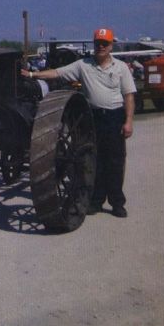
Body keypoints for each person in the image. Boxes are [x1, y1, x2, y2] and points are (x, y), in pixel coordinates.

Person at [21, 27, 136, 218]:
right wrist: (33, 75)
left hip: (115, 117)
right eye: (98, 43)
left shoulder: (121, 67)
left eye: (104, 43)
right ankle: (97, 201)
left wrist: (129, 121)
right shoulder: (83, 65)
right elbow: (57, 73)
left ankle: (117, 203)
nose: (100, 46)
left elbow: (129, 96)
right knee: (94, 159)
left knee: (115, 162)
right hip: (93, 118)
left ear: (110, 45)